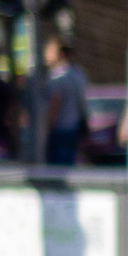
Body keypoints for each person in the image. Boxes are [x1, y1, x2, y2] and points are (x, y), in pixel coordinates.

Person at [36, 31, 88, 169]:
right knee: (69, 167)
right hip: (74, 128)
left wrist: (45, 131)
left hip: (59, 131)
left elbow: (55, 105)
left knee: (57, 173)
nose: (46, 54)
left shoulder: (58, 77)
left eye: (48, 50)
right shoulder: (78, 73)